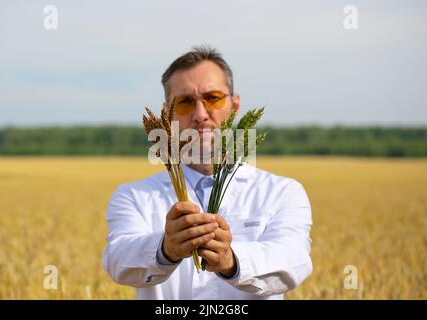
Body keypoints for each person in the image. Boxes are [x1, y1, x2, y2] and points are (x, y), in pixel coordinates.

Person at [102, 46, 313, 300]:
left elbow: (294, 261)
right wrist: (165, 249)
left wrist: (231, 261)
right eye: (185, 102)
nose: (200, 115)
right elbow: (117, 259)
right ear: (166, 115)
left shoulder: (283, 192)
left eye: (213, 98)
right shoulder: (132, 196)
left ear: (235, 105)